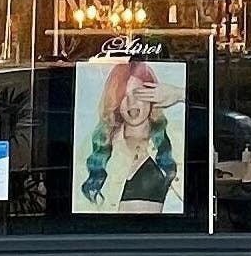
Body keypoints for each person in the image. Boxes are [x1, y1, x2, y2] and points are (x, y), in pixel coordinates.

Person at [79, 60, 184, 213]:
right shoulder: (97, 145)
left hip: (164, 235)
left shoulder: (177, 137)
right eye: (122, 96)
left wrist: (180, 93)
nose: (131, 102)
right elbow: (79, 204)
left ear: (153, 95)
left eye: (138, 93)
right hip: (113, 235)